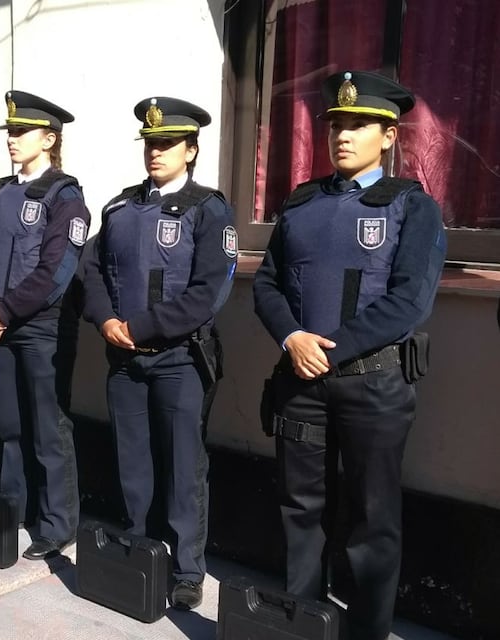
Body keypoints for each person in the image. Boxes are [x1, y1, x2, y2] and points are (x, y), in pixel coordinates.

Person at [253, 71, 446, 640]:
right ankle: (301, 624)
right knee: (300, 510)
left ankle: (365, 632)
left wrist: (328, 351)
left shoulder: (413, 206)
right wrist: (293, 338)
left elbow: (409, 302)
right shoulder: (302, 203)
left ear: (388, 136)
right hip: (302, 383)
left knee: (371, 519)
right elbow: (266, 285)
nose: (342, 134)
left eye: (358, 124)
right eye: (336, 123)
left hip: (373, 388)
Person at [82, 97, 236, 609]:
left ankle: (188, 568)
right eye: (150, 143)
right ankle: (142, 550)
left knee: (183, 466)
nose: (156, 151)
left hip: (179, 360)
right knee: (134, 464)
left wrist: (141, 325)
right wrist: (106, 321)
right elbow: (94, 271)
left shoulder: (208, 209)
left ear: (191, 149)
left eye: (167, 143)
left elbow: (208, 292)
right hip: (125, 360)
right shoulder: (120, 207)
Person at [0, 90, 89, 559]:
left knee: (49, 428)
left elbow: (56, 272)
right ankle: (15, 510)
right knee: (11, 425)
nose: (12, 140)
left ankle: (57, 525)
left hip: (41, 329)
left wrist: (5, 310)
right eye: (10, 132)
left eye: (21, 132)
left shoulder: (65, 195)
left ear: (49, 139)